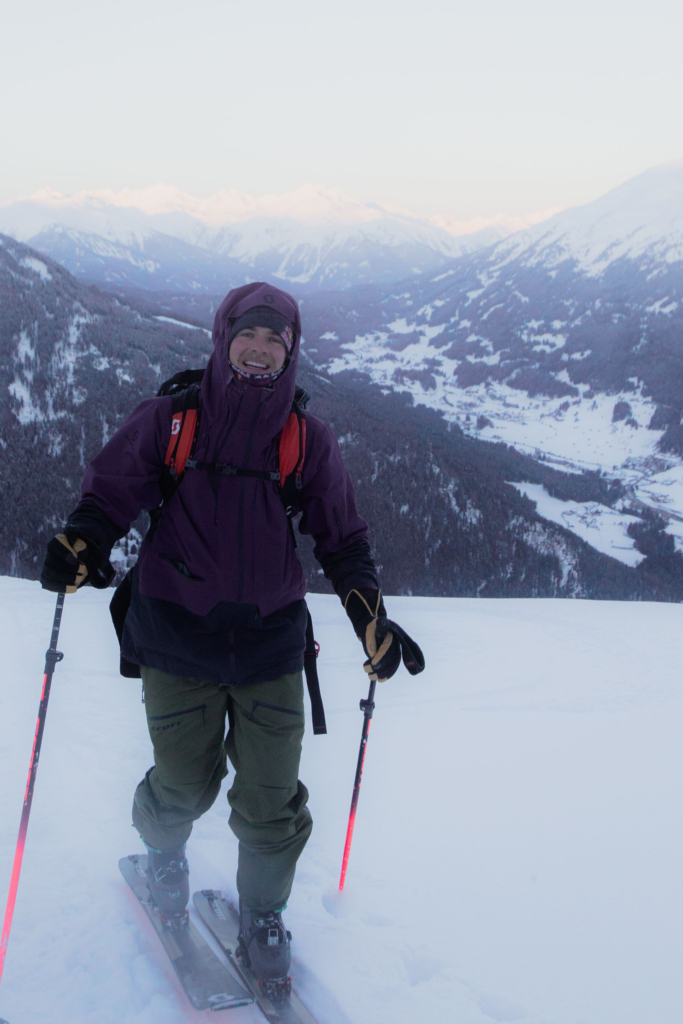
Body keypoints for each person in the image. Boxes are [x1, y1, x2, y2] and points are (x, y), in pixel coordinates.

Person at [40, 282, 423, 988]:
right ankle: (164, 855)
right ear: (223, 338)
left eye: (274, 339)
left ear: (290, 351)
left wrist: (368, 617)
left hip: (270, 640)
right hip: (176, 633)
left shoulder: (306, 440)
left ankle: (264, 915)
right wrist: (84, 542)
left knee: (270, 796)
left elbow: (342, 538)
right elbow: (112, 493)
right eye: (248, 334)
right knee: (183, 785)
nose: (258, 347)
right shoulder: (171, 420)